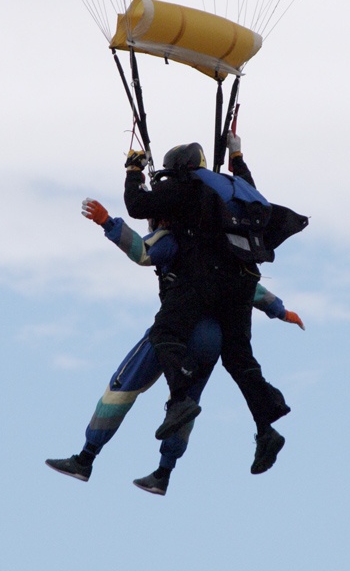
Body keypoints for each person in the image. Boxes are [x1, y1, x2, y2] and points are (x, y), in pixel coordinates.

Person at [45, 199, 303, 495]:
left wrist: (108, 223)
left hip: (178, 328)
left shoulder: (173, 237)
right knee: (186, 403)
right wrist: (281, 310)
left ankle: (85, 459)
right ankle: (163, 474)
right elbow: (250, 289)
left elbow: (143, 252)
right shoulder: (221, 250)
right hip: (212, 339)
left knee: (123, 385)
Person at [123, 135, 298, 474]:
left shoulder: (184, 186)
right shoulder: (232, 187)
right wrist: (237, 153)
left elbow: (137, 206)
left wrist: (133, 171)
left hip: (204, 277)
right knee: (238, 358)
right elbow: (249, 183)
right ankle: (266, 430)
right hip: (244, 280)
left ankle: (180, 399)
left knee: (165, 333)